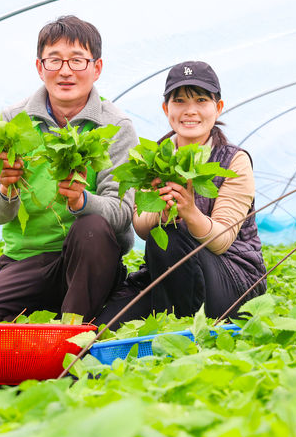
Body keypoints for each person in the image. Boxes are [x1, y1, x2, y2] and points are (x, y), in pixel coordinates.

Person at [0, 15, 137, 324]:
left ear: (96, 68)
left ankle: (71, 335)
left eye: (77, 61)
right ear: (40, 68)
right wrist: (5, 188)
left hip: (90, 263)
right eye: (54, 61)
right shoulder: (12, 120)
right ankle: (61, 318)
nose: (65, 71)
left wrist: (82, 201)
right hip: (26, 263)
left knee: (90, 229)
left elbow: (122, 211)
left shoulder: (114, 126)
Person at [98, 61, 266, 325]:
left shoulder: (233, 161)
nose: (190, 111)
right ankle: (172, 322)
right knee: (107, 323)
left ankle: (179, 333)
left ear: (217, 107)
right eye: (179, 101)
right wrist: (159, 211)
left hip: (230, 277)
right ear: (166, 109)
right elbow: (141, 227)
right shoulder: (154, 156)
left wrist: (189, 211)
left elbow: (222, 241)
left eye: (201, 100)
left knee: (173, 236)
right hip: (168, 272)